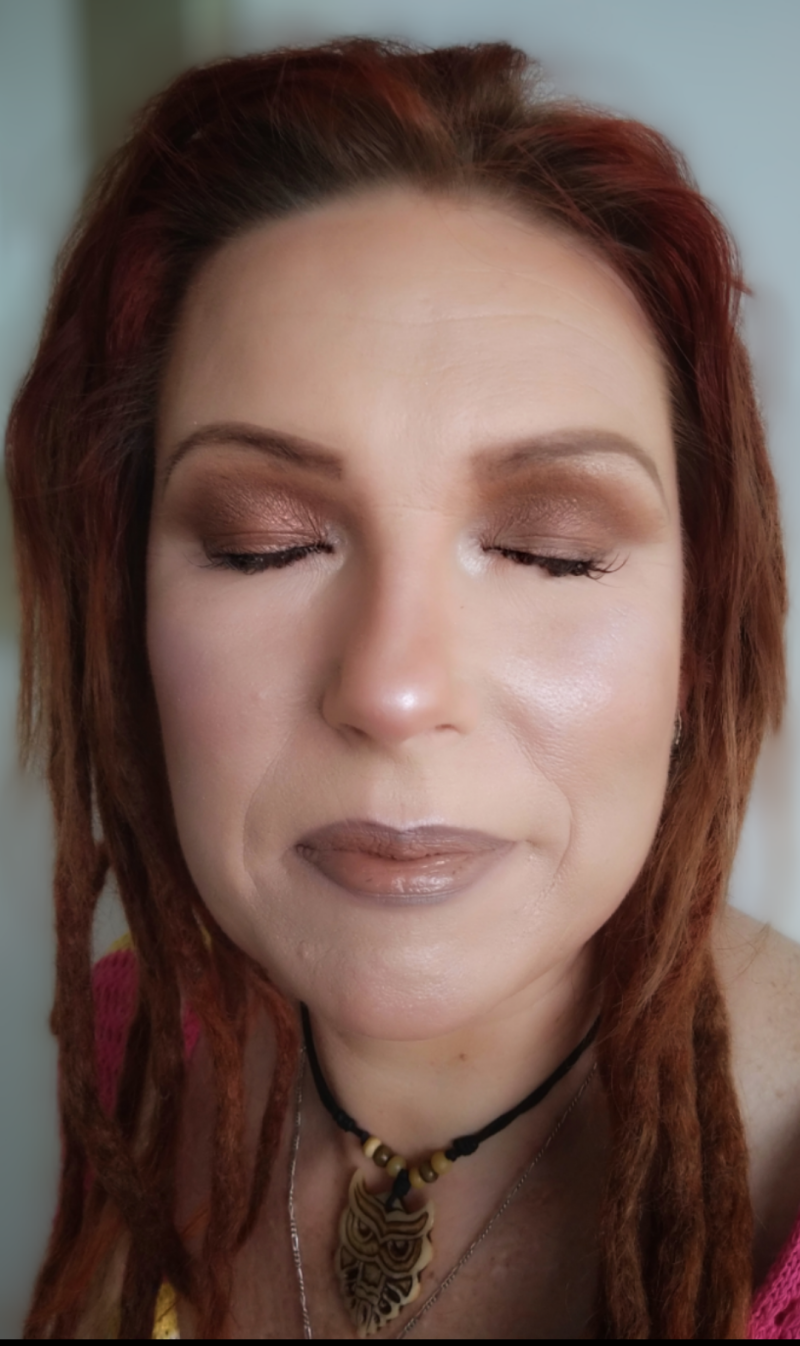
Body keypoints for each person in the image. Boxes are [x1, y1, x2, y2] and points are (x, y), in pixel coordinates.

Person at [6, 37, 800, 1340]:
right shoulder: (138, 1038)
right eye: (263, 542)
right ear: (128, 613)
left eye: (549, 549)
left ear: (694, 637)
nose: (394, 688)